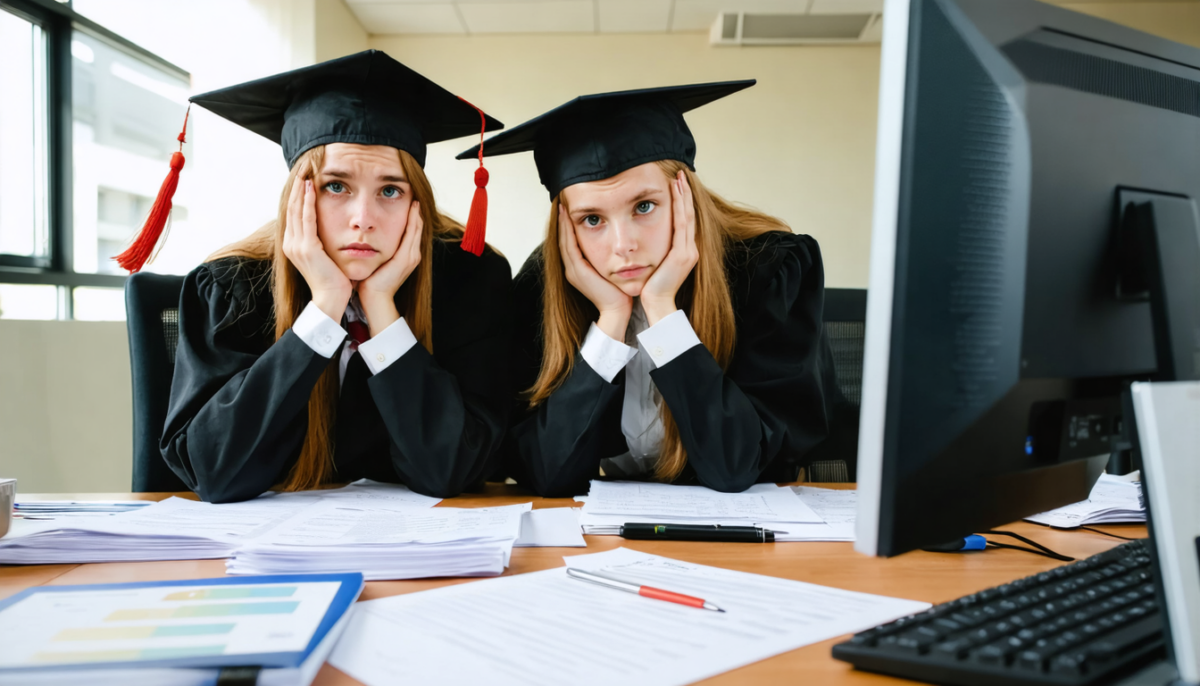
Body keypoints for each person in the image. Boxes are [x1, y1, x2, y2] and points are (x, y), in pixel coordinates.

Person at [157, 51, 512, 503]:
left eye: (390, 190)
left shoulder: (468, 281)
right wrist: (324, 307)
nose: (362, 219)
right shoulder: (234, 285)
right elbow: (214, 472)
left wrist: (381, 309)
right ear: (297, 198)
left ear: (414, 203)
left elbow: (451, 471)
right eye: (335, 186)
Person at [458, 81, 835, 497]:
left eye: (643, 206)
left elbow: (738, 466)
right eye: (592, 219)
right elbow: (549, 474)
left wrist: (661, 310)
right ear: (566, 226)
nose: (623, 246)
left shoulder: (769, 270)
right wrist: (611, 322)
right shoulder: (543, 288)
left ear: (684, 196)